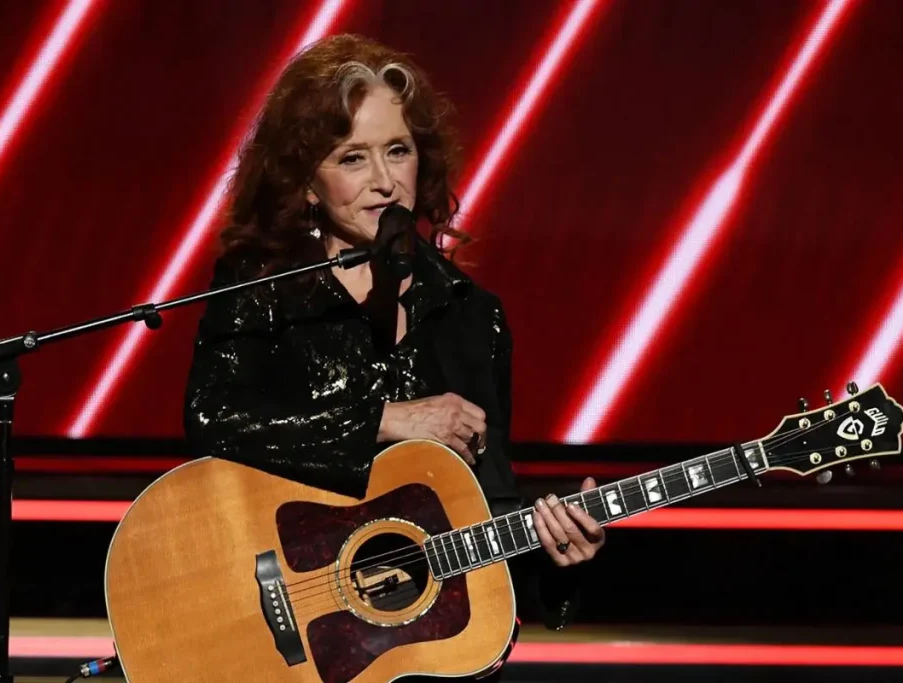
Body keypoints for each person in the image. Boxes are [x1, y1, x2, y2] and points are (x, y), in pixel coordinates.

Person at [183, 33, 604, 679]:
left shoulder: (471, 314)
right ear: (306, 184)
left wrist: (555, 550)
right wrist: (385, 418)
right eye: (353, 157)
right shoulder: (261, 285)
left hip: (417, 644)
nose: (384, 182)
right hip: (277, 630)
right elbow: (214, 420)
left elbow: (483, 508)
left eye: (397, 151)